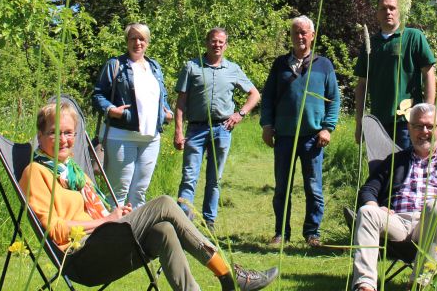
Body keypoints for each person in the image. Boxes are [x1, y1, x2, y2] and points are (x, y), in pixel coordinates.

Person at [21, 102, 277, 290]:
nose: (64, 140)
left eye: (69, 133)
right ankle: (229, 275)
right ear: (41, 135)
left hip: (102, 241)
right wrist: (104, 221)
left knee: (163, 230)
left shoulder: (74, 171)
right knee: (165, 203)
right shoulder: (36, 172)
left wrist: (116, 215)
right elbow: (52, 230)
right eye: (56, 132)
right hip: (81, 257)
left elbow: (96, 209)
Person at [351, 103, 437, 291]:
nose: (424, 131)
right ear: (410, 128)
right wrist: (375, 206)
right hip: (397, 222)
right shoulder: (395, 160)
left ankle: (418, 283)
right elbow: (368, 189)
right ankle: (365, 285)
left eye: (430, 126)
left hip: (434, 222)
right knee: (367, 212)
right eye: (418, 126)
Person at [260, 15, 340, 248]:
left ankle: (312, 233)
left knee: (313, 187)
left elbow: (333, 99)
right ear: (291, 36)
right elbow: (267, 98)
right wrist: (267, 125)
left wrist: (328, 128)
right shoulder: (280, 64)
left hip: (313, 137)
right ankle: (281, 233)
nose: (300, 36)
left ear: (312, 36)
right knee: (282, 186)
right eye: (296, 32)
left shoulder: (324, 65)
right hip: (284, 136)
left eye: (304, 32)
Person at [173, 27, 261, 232]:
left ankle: (209, 220)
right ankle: (182, 220)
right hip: (195, 130)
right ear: (207, 42)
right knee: (189, 177)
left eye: (221, 42)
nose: (217, 45)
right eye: (214, 41)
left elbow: (254, 94)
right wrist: (178, 130)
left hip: (222, 129)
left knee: (214, 178)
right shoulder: (192, 67)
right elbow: (180, 102)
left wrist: (240, 114)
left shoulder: (233, 69)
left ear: (226, 45)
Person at [92, 22, 173, 207]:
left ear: (148, 42)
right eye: (133, 38)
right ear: (127, 41)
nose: (137, 42)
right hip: (120, 136)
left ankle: (135, 232)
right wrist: (111, 109)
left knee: (139, 192)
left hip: (151, 138)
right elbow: (98, 94)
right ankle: (113, 233)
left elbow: (162, 96)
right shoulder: (115, 64)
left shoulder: (154, 67)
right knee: (118, 192)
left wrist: (166, 112)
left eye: (142, 38)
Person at [354, 0, 437, 149]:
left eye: (392, 8)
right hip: (377, 122)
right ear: (377, 13)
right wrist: (360, 123)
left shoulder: (413, 37)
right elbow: (362, 85)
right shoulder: (370, 44)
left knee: (405, 172)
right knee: (380, 171)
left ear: (399, 10)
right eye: (383, 8)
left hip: (407, 122)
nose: (388, 12)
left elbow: (429, 74)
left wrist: (428, 114)